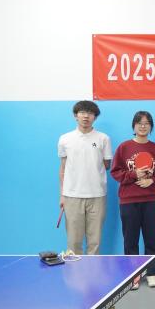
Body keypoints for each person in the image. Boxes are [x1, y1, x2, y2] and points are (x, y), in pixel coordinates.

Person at [111, 111, 155, 289]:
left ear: (151, 127)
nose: (143, 126)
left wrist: (152, 180)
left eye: (147, 123)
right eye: (139, 123)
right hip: (128, 200)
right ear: (134, 126)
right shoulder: (124, 147)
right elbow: (115, 172)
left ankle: (151, 273)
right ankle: (133, 276)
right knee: (130, 240)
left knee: (151, 238)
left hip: (151, 199)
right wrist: (133, 174)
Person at [58, 100, 112, 255]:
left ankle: (92, 270)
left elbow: (106, 165)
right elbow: (63, 168)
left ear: (95, 117)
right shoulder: (65, 139)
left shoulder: (103, 139)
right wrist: (62, 195)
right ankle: (74, 270)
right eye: (82, 112)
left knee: (94, 242)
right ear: (76, 116)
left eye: (90, 113)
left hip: (97, 195)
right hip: (72, 195)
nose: (86, 116)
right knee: (73, 242)